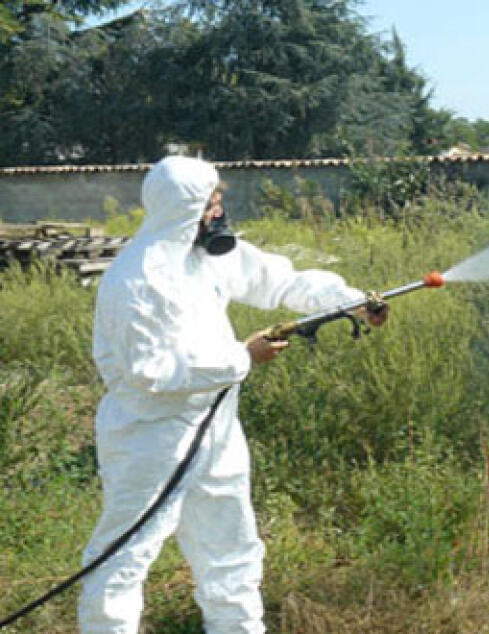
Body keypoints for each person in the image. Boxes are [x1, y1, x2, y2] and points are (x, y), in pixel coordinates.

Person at [79, 155, 386, 633]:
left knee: (231, 551)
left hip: (217, 429)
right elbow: (150, 372)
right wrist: (244, 357)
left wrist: (350, 301)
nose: (220, 211)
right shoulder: (135, 280)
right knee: (125, 556)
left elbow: (280, 280)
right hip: (150, 438)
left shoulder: (209, 257)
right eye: (213, 201)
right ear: (187, 208)